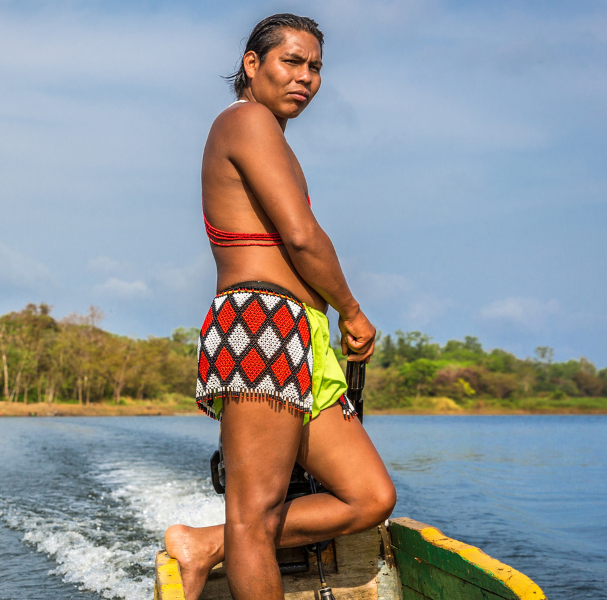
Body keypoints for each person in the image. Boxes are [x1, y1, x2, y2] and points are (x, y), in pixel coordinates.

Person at [164, 14, 396, 600]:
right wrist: (352, 309)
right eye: (291, 62)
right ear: (252, 64)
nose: (306, 78)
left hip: (301, 331)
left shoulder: (270, 134)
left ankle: (208, 543)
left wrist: (327, 316)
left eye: (315, 67)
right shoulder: (245, 121)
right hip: (260, 322)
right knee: (256, 512)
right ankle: (226, 539)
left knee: (369, 497)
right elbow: (301, 236)